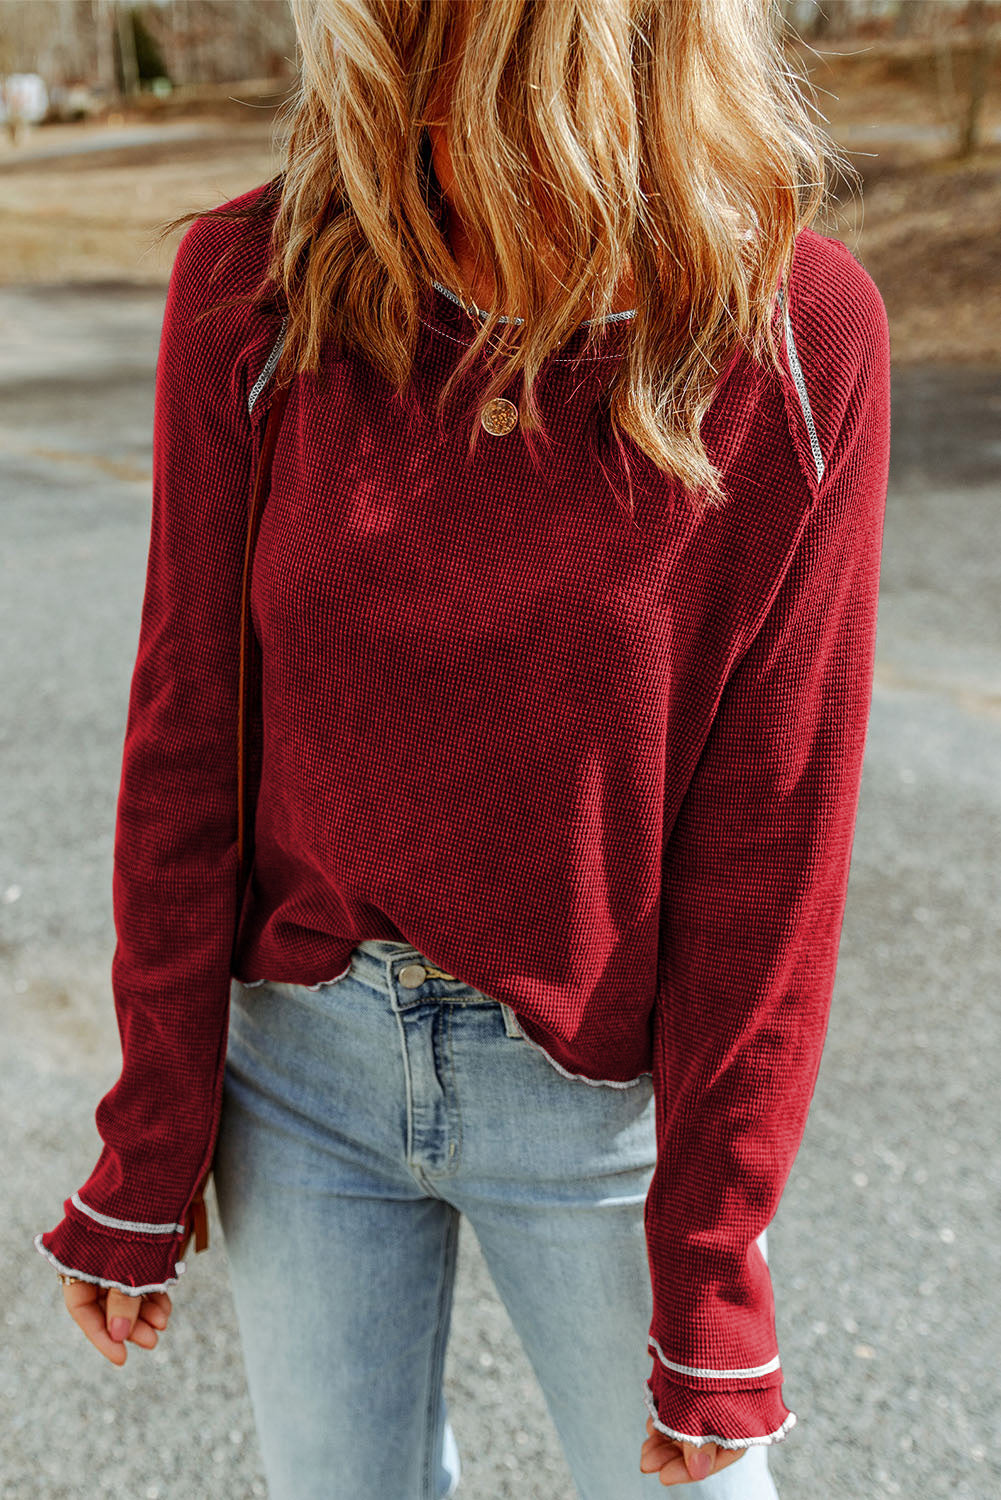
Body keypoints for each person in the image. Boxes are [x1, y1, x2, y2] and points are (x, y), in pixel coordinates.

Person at [33, 2, 891, 1496]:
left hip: (600, 1107)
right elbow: (187, 742)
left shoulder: (794, 337)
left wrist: (710, 1276)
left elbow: (771, 847)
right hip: (301, 1075)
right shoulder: (253, 289)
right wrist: (152, 1133)